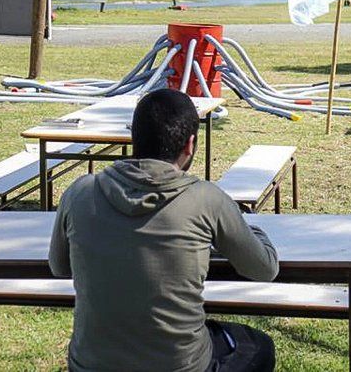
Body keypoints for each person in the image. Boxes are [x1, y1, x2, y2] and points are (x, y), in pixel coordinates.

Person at [49, 89, 280, 372]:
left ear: (133, 136)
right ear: (190, 145)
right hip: (181, 365)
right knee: (259, 347)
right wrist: (253, 229)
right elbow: (265, 268)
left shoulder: (79, 193)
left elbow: (59, 266)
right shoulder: (206, 199)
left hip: (90, 364)